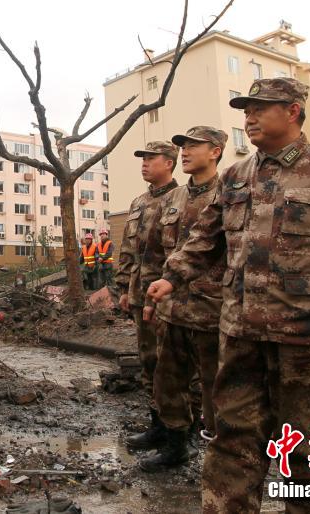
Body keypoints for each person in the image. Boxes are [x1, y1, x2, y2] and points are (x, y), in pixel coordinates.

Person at [147, 78, 310, 513]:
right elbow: (205, 239)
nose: (250, 117)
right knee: (233, 440)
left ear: (294, 111)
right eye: (246, 109)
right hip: (241, 333)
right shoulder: (236, 176)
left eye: (260, 108)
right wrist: (172, 276)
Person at [139, 126, 227, 472]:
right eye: (183, 146)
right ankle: (176, 444)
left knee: (216, 386)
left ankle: (223, 451)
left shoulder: (229, 192)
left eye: (194, 146)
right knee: (168, 380)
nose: (186, 152)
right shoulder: (172, 200)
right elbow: (155, 252)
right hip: (172, 308)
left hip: (213, 310)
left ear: (216, 151)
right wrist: (149, 297)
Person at [114, 140, 179, 449]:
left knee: (173, 366)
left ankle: (181, 433)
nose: (144, 163)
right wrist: (125, 289)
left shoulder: (182, 198)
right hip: (141, 295)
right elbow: (128, 250)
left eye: (150, 158)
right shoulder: (139, 201)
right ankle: (158, 426)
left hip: (170, 297)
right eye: (142, 158)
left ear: (169, 162)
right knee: (149, 362)